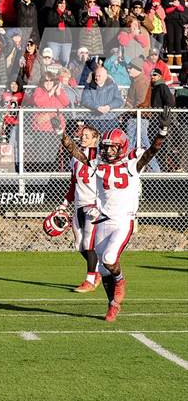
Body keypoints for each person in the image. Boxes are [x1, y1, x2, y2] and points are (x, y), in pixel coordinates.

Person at [58, 108, 172, 321]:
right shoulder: (98, 163)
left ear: (122, 148)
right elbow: (76, 152)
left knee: (110, 259)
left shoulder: (132, 164)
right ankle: (112, 304)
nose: (108, 152)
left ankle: (121, 280)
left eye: (112, 148)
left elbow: (153, 150)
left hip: (122, 220)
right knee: (103, 269)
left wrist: (163, 130)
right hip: (103, 220)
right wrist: (61, 134)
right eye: (107, 148)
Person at [58, 123, 101, 292]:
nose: (83, 138)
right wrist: (64, 204)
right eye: (82, 135)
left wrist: (101, 204)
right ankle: (97, 272)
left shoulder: (98, 157)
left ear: (95, 139)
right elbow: (73, 184)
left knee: (89, 244)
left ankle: (90, 280)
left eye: (87, 136)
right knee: (79, 246)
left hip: (93, 205)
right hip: (78, 204)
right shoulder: (75, 158)